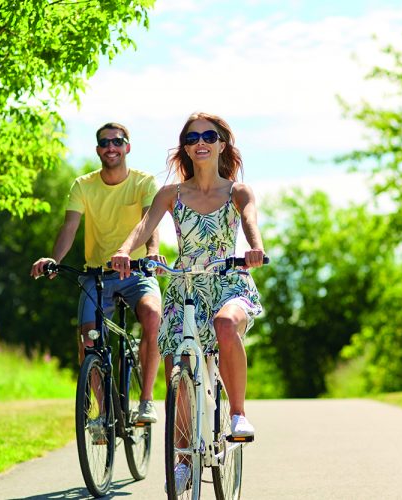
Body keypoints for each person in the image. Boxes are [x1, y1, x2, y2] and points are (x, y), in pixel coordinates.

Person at [110, 112, 265, 441]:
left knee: (226, 324)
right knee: (178, 363)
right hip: (186, 284)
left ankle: (238, 414)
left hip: (228, 279)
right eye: (192, 139)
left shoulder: (237, 191)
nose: (201, 143)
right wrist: (124, 251)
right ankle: (181, 457)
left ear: (222, 145)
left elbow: (250, 219)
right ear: (186, 148)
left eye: (208, 137)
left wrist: (255, 248)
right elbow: (143, 226)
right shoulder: (171, 193)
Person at [30, 122, 164, 423]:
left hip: (137, 272)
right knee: (88, 340)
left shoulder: (144, 183)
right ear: (98, 150)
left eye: (117, 141)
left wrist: (152, 253)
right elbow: (69, 227)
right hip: (97, 276)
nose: (111, 147)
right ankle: (103, 414)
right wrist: (53, 258)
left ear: (127, 147)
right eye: (104, 143)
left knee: (153, 317)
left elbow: (149, 224)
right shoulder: (83, 185)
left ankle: (146, 401)